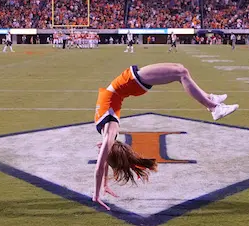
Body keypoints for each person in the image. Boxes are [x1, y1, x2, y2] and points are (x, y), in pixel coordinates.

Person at [92, 63, 239, 210]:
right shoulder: (109, 133)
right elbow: (99, 168)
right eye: (103, 152)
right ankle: (214, 108)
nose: (99, 150)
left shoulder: (107, 134)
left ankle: (210, 99)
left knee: (180, 69)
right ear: (111, 149)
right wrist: (97, 195)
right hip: (131, 82)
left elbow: (104, 163)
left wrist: (105, 183)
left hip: (129, 81)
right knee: (180, 72)